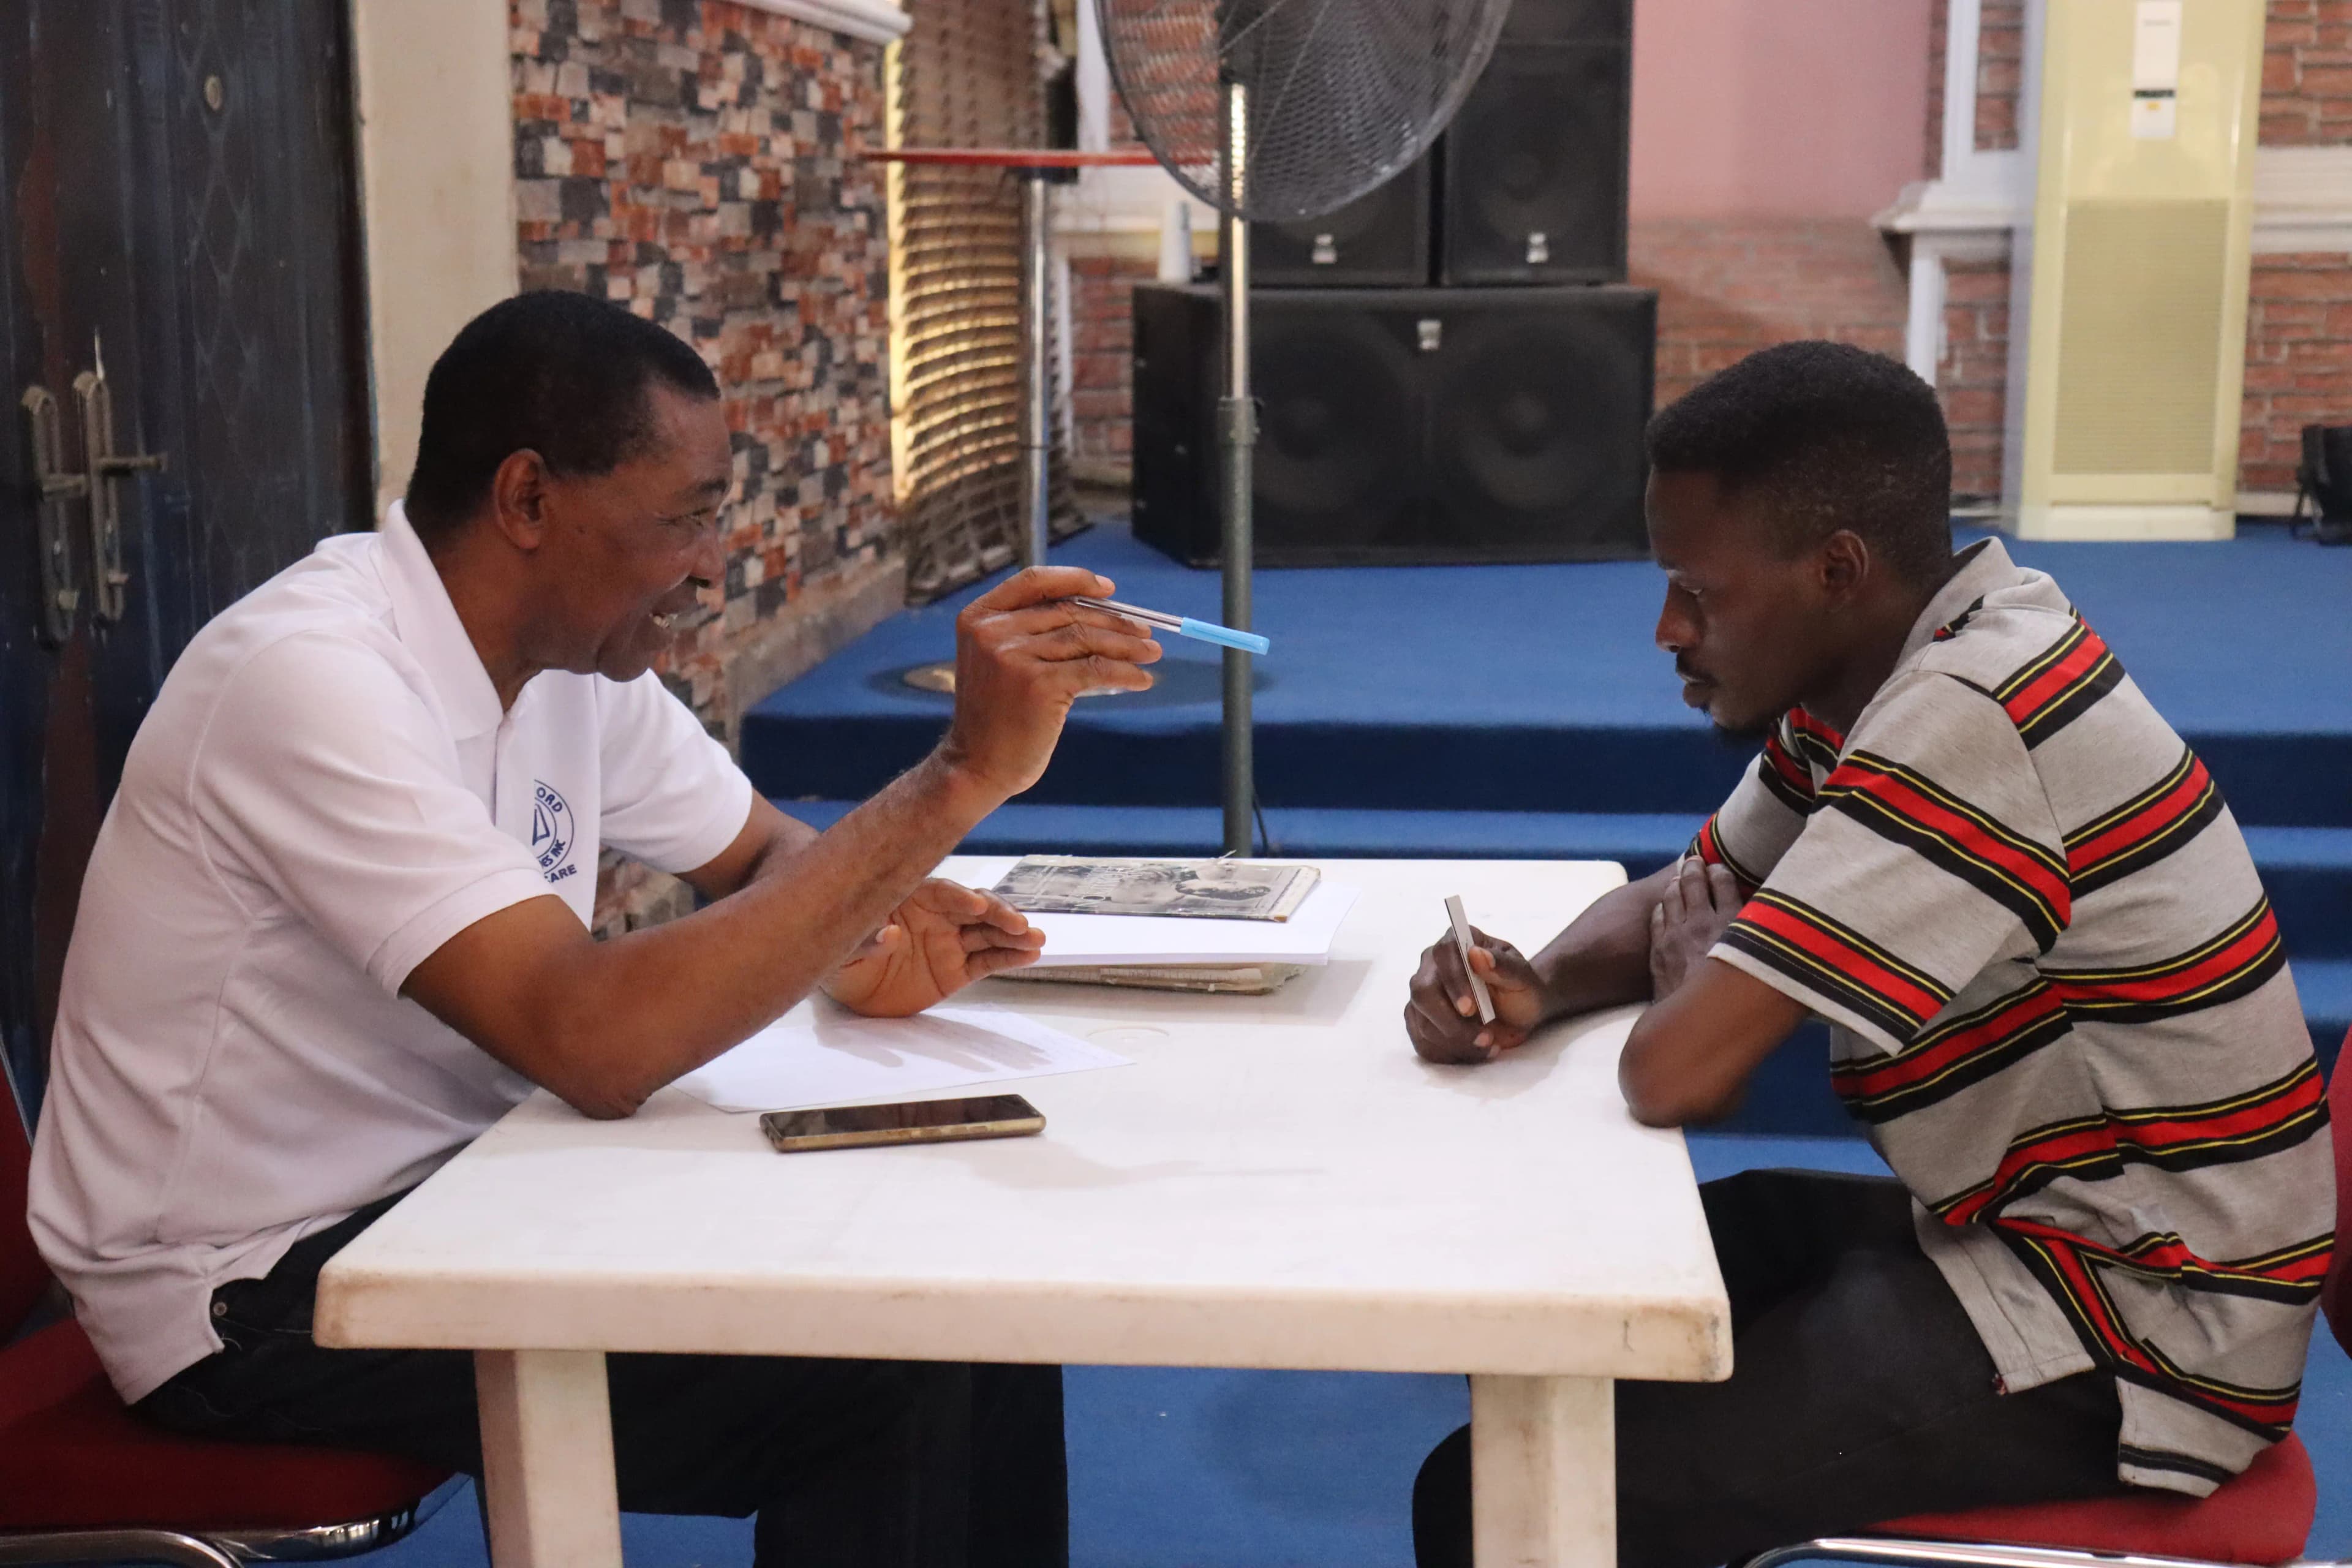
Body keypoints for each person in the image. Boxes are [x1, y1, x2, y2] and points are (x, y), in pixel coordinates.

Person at [28, 290, 1165, 1567]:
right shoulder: (314, 677)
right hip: (248, 1291)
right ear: (527, 501)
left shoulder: (575, 662)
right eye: (684, 518)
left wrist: (879, 934)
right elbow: (591, 1040)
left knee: (963, 1298)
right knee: (880, 1370)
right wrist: (957, 773)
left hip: (472, 1179)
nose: (712, 563)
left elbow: (761, 857)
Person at [1403, 341, 2333, 1568]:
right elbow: (1695, 893)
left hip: (2143, 1325)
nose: (1667, 627)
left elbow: (1677, 1074)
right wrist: (1536, 981)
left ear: (1837, 569)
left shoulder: (1967, 721)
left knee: (1491, 1496)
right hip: (2041, 1233)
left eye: (1699, 588)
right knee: (1578, 1303)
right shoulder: (1896, 663)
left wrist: (1692, 983)